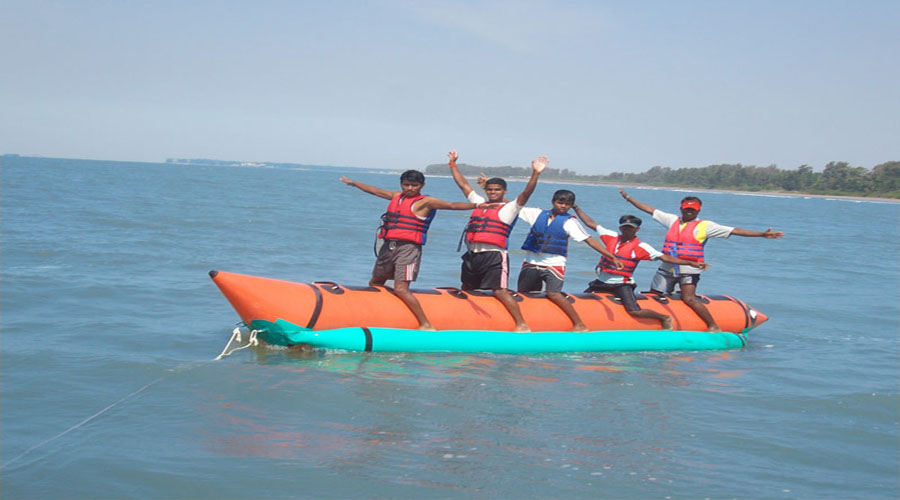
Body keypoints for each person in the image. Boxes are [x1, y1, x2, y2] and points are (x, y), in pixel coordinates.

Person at [340, 169, 492, 330]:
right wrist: (354, 183)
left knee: (401, 288)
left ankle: (425, 323)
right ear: (401, 184)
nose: (410, 188)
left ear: (422, 185)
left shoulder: (426, 202)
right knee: (375, 282)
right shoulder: (396, 197)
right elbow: (375, 191)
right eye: (406, 185)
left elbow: (452, 205)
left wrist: (477, 205)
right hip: (389, 246)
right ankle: (374, 314)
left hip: (409, 249)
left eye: (414, 185)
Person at [619, 188, 784, 332]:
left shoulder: (705, 226)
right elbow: (650, 210)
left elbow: (734, 230)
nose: (689, 212)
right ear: (681, 208)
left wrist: (761, 234)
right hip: (668, 266)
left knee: (688, 298)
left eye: (693, 209)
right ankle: (655, 322)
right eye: (687, 209)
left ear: (698, 211)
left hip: (689, 269)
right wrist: (628, 198)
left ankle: (713, 325)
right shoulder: (672, 220)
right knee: (654, 295)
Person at [447, 150, 546, 332]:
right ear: (486, 190)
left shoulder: (509, 208)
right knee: (467, 289)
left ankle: (521, 324)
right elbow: (463, 185)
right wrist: (453, 165)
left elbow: (526, 193)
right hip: (472, 256)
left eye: (497, 190)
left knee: (499, 290)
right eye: (490, 190)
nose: (493, 193)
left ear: (504, 191)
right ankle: (469, 322)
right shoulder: (479, 202)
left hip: (494, 257)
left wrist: (536, 173)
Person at [572, 206, 709, 329]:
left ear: (636, 229)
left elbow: (665, 257)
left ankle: (664, 317)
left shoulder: (641, 247)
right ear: (620, 227)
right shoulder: (611, 237)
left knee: (634, 310)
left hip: (621, 284)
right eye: (624, 227)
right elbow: (590, 223)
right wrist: (576, 208)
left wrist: (691, 263)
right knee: (582, 298)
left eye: (630, 228)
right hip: (601, 282)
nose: (627, 230)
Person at [517, 189, 624, 332]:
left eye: (567, 204)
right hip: (531, 262)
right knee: (524, 294)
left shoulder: (570, 222)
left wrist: (612, 257)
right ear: (553, 202)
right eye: (560, 202)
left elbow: (590, 240)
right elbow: (512, 206)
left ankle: (579, 323)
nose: (563, 206)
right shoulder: (536, 214)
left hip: (554, 264)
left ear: (571, 206)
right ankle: (529, 322)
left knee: (553, 294)